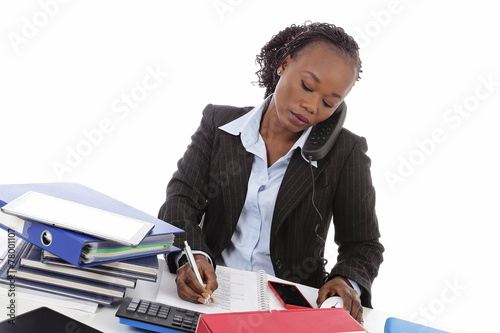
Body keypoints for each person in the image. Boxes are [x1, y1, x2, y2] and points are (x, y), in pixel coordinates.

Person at [158, 21, 384, 325]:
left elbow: (362, 244)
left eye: (330, 103)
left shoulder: (346, 152)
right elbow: (181, 200)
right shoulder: (219, 124)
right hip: (211, 294)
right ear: (284, 64)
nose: (311, 106)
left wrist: (346, 281)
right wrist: (194, 257)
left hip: (289, 312)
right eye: (307, 86)